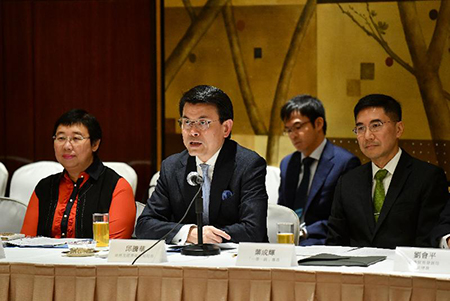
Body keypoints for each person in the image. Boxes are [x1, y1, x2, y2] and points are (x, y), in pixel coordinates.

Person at [135, 85, 268, 244]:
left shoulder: (248, 165)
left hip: (235, 260)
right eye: (187, 122)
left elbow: (254, 230)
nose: (193, 131)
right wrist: (190, 233)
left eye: (203, 122)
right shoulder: (171, 167)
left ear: (226, 128)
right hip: (186, 260)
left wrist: (207, 237)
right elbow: (145, 225)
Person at [326, 94, 448, 249]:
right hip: (355, 271)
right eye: (360, 128)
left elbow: (428, 240)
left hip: (405, 270)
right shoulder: (348, 182)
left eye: (376, 125)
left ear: (398, 129)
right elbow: (334, 243)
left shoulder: (428, 178)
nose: (367, 136)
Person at [21, 109, 136, 239]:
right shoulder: (44, 187)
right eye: (61, 138)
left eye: (76, 138)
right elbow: (26, 242)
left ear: (95, 144)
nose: (67, 146)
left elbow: (113, 248)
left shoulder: (116, 187)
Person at [278, 95, 360, 245]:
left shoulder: (345, 163)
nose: (293, 135)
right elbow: (282, 211)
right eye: (288, 130)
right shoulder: (287, 163)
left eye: (298, 127)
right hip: (287, 243)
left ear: (318, 123)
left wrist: (303, 232)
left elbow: (346, 218)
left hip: (322, 242)